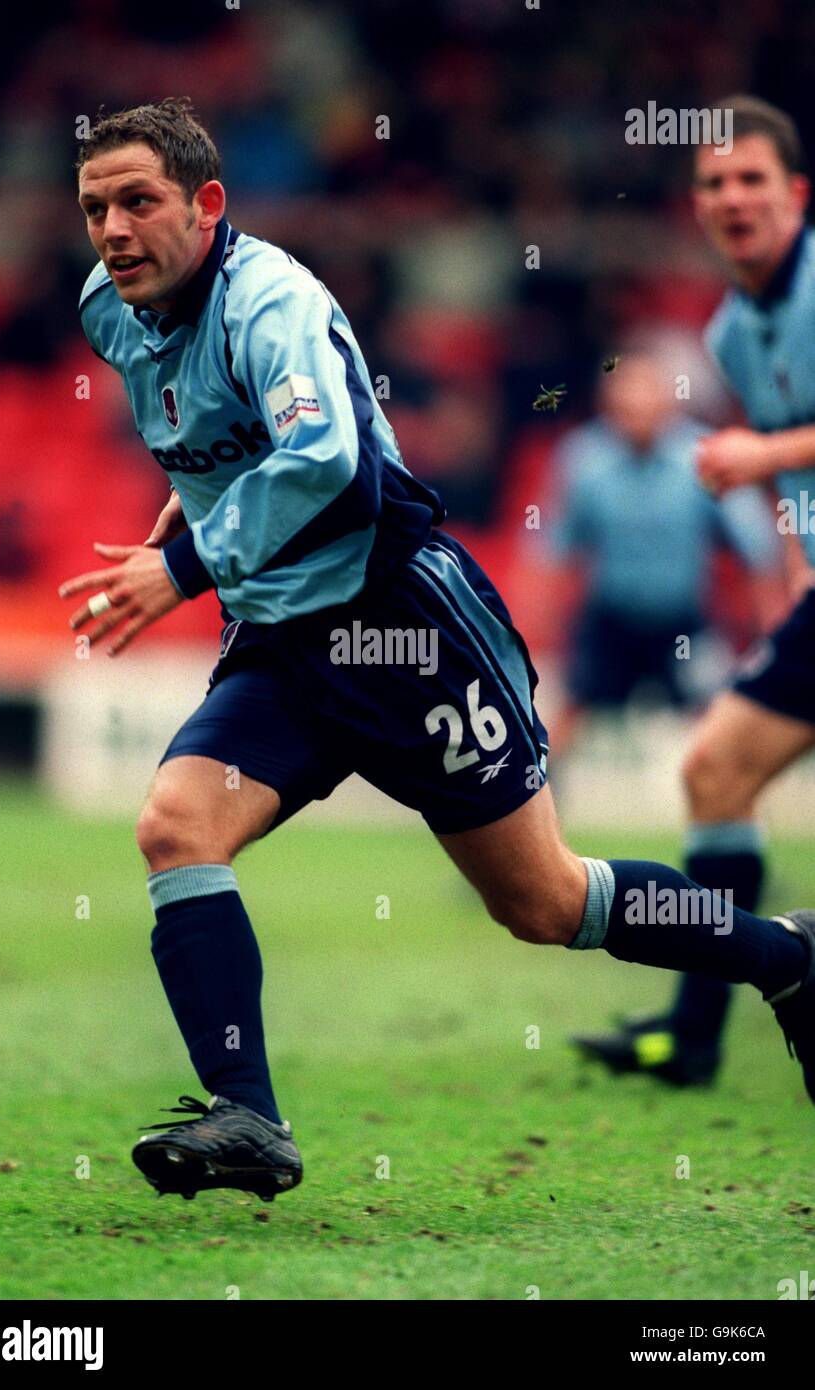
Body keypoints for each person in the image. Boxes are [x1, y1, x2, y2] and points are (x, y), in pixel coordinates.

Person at [60, 99, 815, 1204]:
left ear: (205, 204)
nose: (113, 231)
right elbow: (212, 445)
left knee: (546, 905)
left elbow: (335, 467)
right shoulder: (107, 310)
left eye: (137, 202)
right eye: (92, 209)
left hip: (402, 630)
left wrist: (179, 571)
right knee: (175, 826)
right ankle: (250, 1118)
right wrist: (188, 525)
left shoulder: (269, 301)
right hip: (281, 642)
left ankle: (783, 956)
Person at [574, 95, 815, 1087]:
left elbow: (780, 454)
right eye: (712, 182)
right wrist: (796, 564)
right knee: (714, 770)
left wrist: (760, 452)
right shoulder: (726, 331)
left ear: (794, 193)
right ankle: (699, 1033)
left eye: (750, 177)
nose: (730, 196)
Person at [552, 351, 778, 758]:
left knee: (717, 723)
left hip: (683, 623)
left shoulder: (703, 456)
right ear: (608, 403)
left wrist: (772, 628)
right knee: (564, 720)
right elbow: (554, 551)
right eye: (625, 398)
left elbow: (757, 548)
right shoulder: (582, 459)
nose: (636, 409)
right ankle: (535, 802)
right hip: (609, 620)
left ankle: (731, 807)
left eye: (645, 395)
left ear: (668, 400)